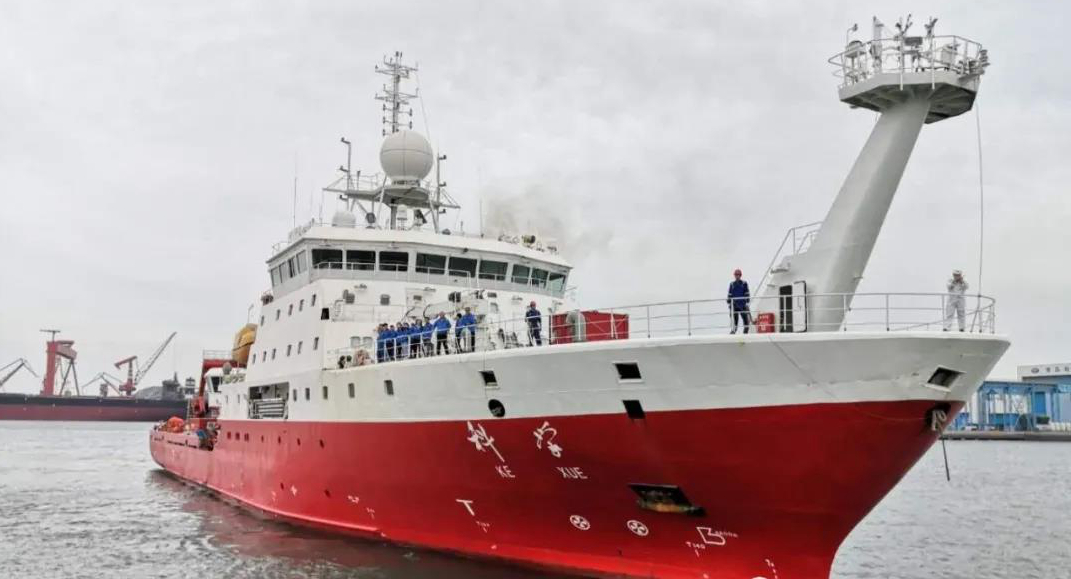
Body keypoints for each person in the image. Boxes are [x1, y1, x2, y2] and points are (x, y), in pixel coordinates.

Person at [727, 269, 751, 334]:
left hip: (742, 305)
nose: (737, 276)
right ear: (734, 275)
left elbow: (747, 293)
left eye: (738, 275)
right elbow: (730, 294)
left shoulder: (744, 283)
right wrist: (729, 302)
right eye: (736, 275)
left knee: (746, 321)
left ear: (740, 275)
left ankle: (745, 334)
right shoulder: (732, 284)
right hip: (734, 305)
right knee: (735, 322)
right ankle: (733, 333)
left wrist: (747, 301)